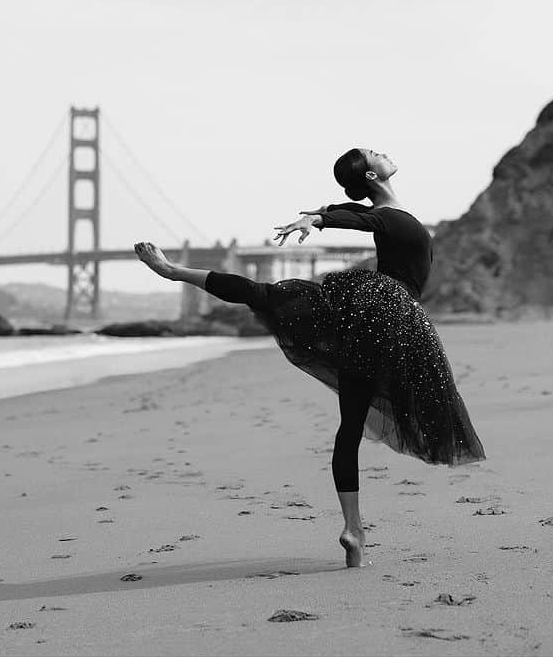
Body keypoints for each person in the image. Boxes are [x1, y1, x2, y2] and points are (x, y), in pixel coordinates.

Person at [134, 147, 485, 567]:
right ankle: (174, 272)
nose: (382, 152)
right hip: (399, 314)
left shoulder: (386, 215)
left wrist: (320, 213)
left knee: (274, 306)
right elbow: (359, 217)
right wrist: (318, 219)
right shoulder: (389, 216)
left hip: (368, 317)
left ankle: (354, 529)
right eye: (375, 153)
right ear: (372, 178)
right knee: (427, 404)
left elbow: (351, 212)